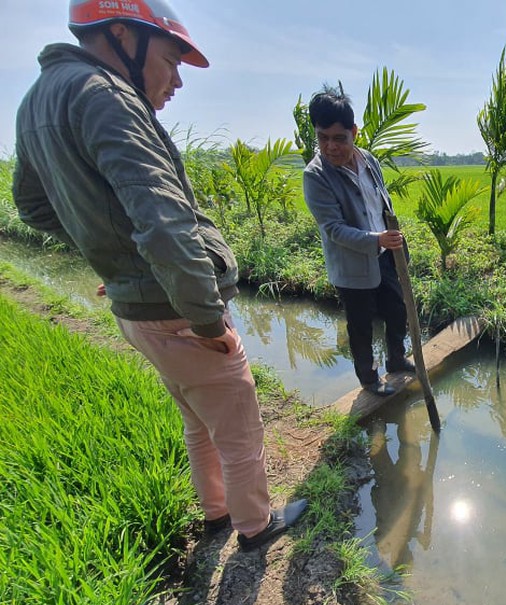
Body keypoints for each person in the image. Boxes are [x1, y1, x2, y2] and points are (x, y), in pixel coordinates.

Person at [12, 0, 306, 551]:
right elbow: (164, 222)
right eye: (171, 62)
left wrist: (118, 263)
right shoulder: (105, 96)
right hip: (178, 312)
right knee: (239, 428)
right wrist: (207, 318)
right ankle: (256, 527)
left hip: (139, 309)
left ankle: (218, 513)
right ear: (121, 35)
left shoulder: (36, 100)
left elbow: (34, 205)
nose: (176, 81)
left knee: (198, 419)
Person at [302, 85, 415, 397]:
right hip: (352, 264)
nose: (331, 147)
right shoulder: (316, 176)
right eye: (323, 138)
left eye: (340, 138)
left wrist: (393, 242)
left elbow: (382, 204)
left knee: (397, 309)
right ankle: (369, 378)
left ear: (354, 132)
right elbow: (334, 229)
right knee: (361, 325)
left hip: (386, 254)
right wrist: (376, 239)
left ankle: (396, 359)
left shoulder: (368, 160)